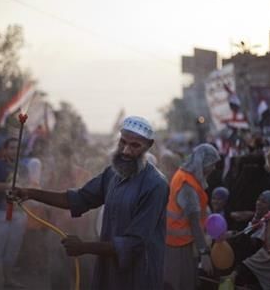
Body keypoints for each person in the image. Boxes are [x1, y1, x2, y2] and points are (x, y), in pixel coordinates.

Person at [13, 116, 169, 290]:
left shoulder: (156, 185)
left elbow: (134, 244)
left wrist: (84, 247)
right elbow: (78, 199)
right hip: (110, 268)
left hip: (140, 272)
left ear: (149, 145)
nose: (125, 151)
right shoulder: (113, 174)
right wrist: (29, 193)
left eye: (134, 146)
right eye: (122, 142)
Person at [164, 143, 220, 290]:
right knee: (182, 284)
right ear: (203, 163)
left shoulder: (185, 177)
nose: (214, 168)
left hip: (178, 242)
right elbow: (194, 222)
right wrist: (204, 253)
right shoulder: (187, 184)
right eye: (212, 164)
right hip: (179, 245)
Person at [0, 138, 28, 289]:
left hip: (18, 213)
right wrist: (10, 185)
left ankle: (8, 280)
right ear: (4, 150)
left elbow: (27, 188)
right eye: (11, 147)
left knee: (13, 249)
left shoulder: (23, 168)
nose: (14, 150)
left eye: (17, 148)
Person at [228, 190, 270, 290]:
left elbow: (256, 245)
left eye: (264, 201)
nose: (258, 203)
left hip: (260, 265)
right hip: (245, 262)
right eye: (258, 199)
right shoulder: (256, 221)